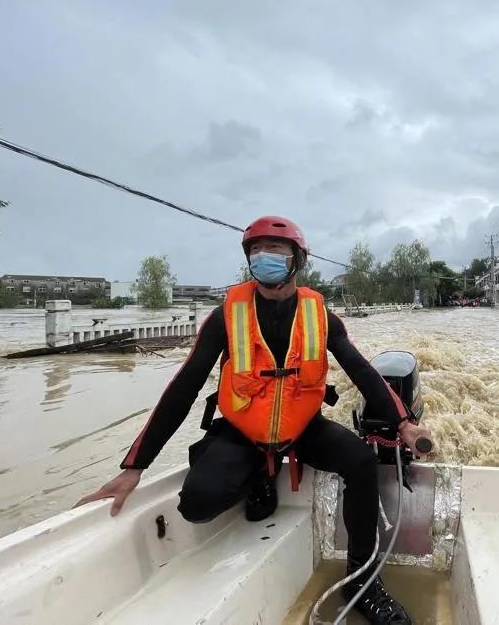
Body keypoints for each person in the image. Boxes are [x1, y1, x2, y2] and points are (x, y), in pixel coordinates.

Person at [76, 216, 432, 625]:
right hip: (244, 431)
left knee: (361, 461)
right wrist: (135, 466)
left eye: (277, 251)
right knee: (197, 504)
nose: (266, 258)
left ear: (298, 259)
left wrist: (404, 423)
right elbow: (183, 386)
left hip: (302, 429)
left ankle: (362, 580)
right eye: (257, 251)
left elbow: (362, 371)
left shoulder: (320, 315)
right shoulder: (227, 314)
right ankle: (260, 478)